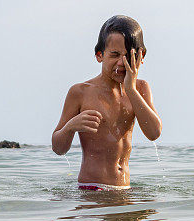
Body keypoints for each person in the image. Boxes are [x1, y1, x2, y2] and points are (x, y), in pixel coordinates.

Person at [52, 15, 162, 191]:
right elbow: (58, 148)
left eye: (129, 56)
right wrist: (70, 127)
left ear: (141, 57)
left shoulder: (140, 89)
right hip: (91, 190)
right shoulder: (80, 92)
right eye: (115, 55)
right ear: (99, 55)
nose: (121, 63)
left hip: (125, 190)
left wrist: (131, 90)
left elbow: (154, 133)